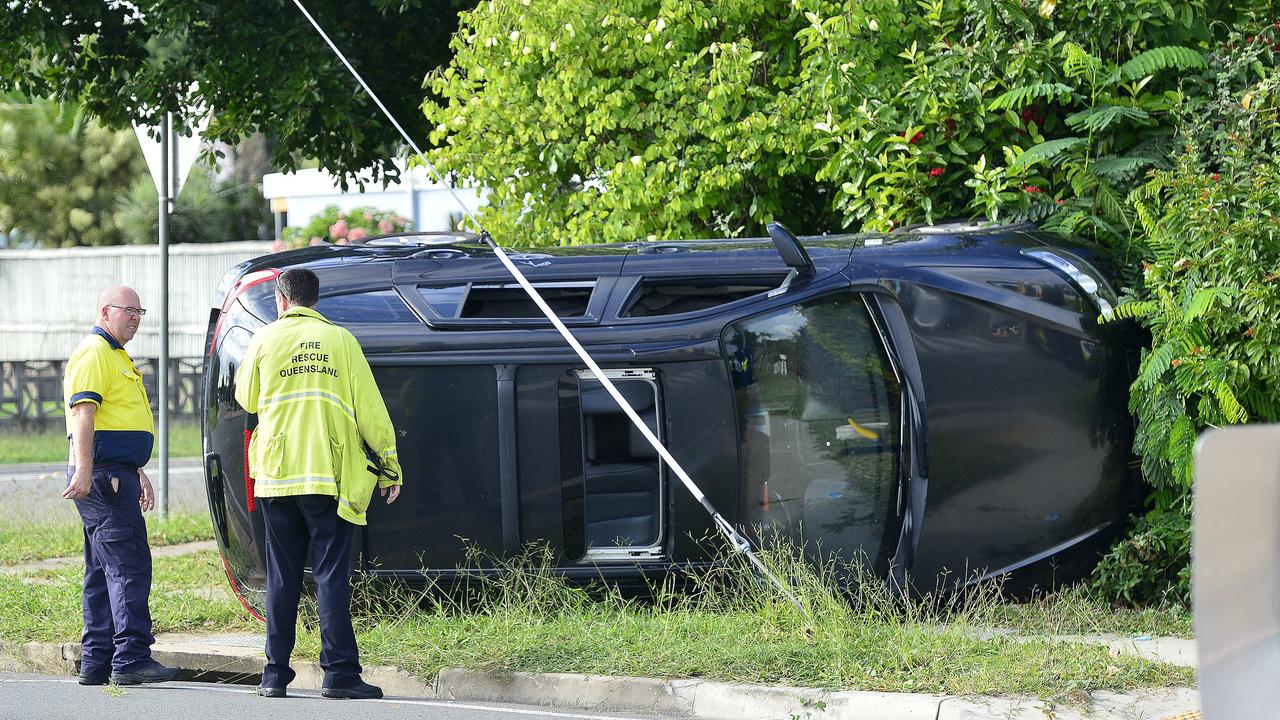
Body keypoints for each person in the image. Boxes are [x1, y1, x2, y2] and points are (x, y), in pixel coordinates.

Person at [234, 267, 403, 700]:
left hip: (275, 478)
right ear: (316, 299)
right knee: (330, 575)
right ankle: (340, 674)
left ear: (281, 300)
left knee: (282, 577)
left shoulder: (265, 339)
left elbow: (246, 398)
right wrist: (389, 466)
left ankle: (274, 675)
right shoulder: (341, 341)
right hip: (328, 477)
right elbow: (370, 409)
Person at [61, 286, 180, 686]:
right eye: (127, 310)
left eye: (139, 311)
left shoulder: (115, 355)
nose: (135, 317)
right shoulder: (95, 352)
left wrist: (135, 469)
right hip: (104, 477)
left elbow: (115, 423)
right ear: (104, 311)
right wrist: (84, 467)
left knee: (102, 571)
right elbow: (84, 413)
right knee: (128, 567)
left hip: (113, 471)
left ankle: (97, 661)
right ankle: (130, 658)